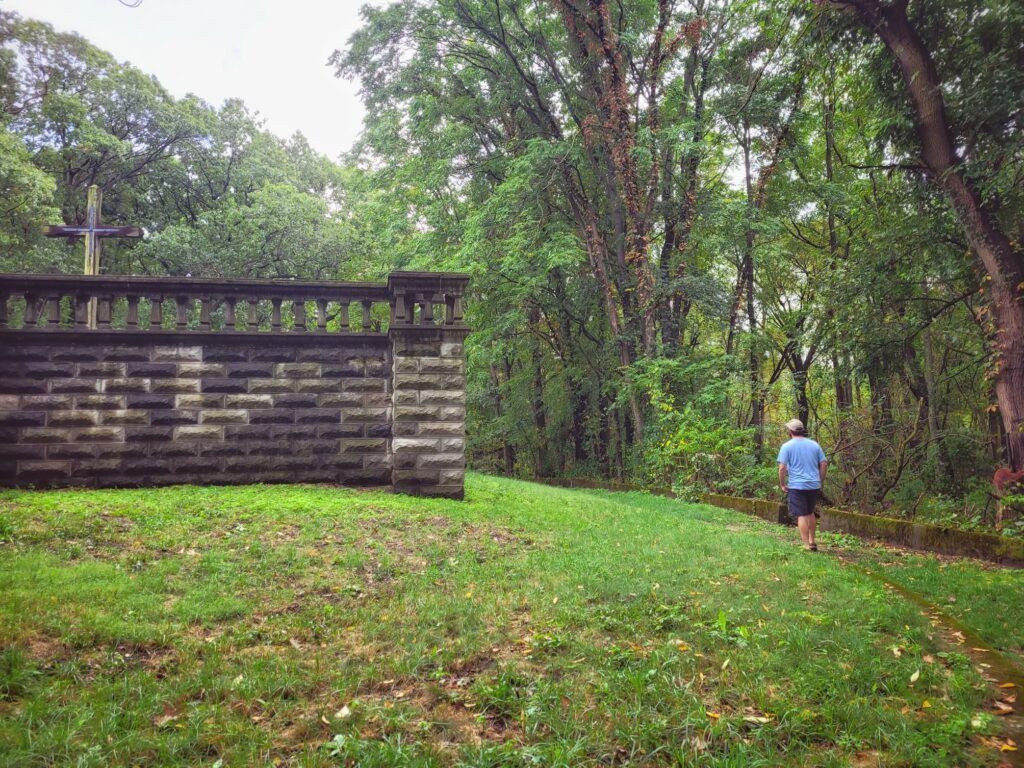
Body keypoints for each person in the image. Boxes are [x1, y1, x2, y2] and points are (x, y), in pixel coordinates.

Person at [777, 418, 828, 551]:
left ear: (790, 431)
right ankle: (812, 541)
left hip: (797, 486)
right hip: (813, 485)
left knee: (802, 514)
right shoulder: (814, 445)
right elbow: (824, 463)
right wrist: (820, 479)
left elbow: (782, 468)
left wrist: (782, 484)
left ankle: (806, 545)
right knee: (810, 512)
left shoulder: (787, 446)